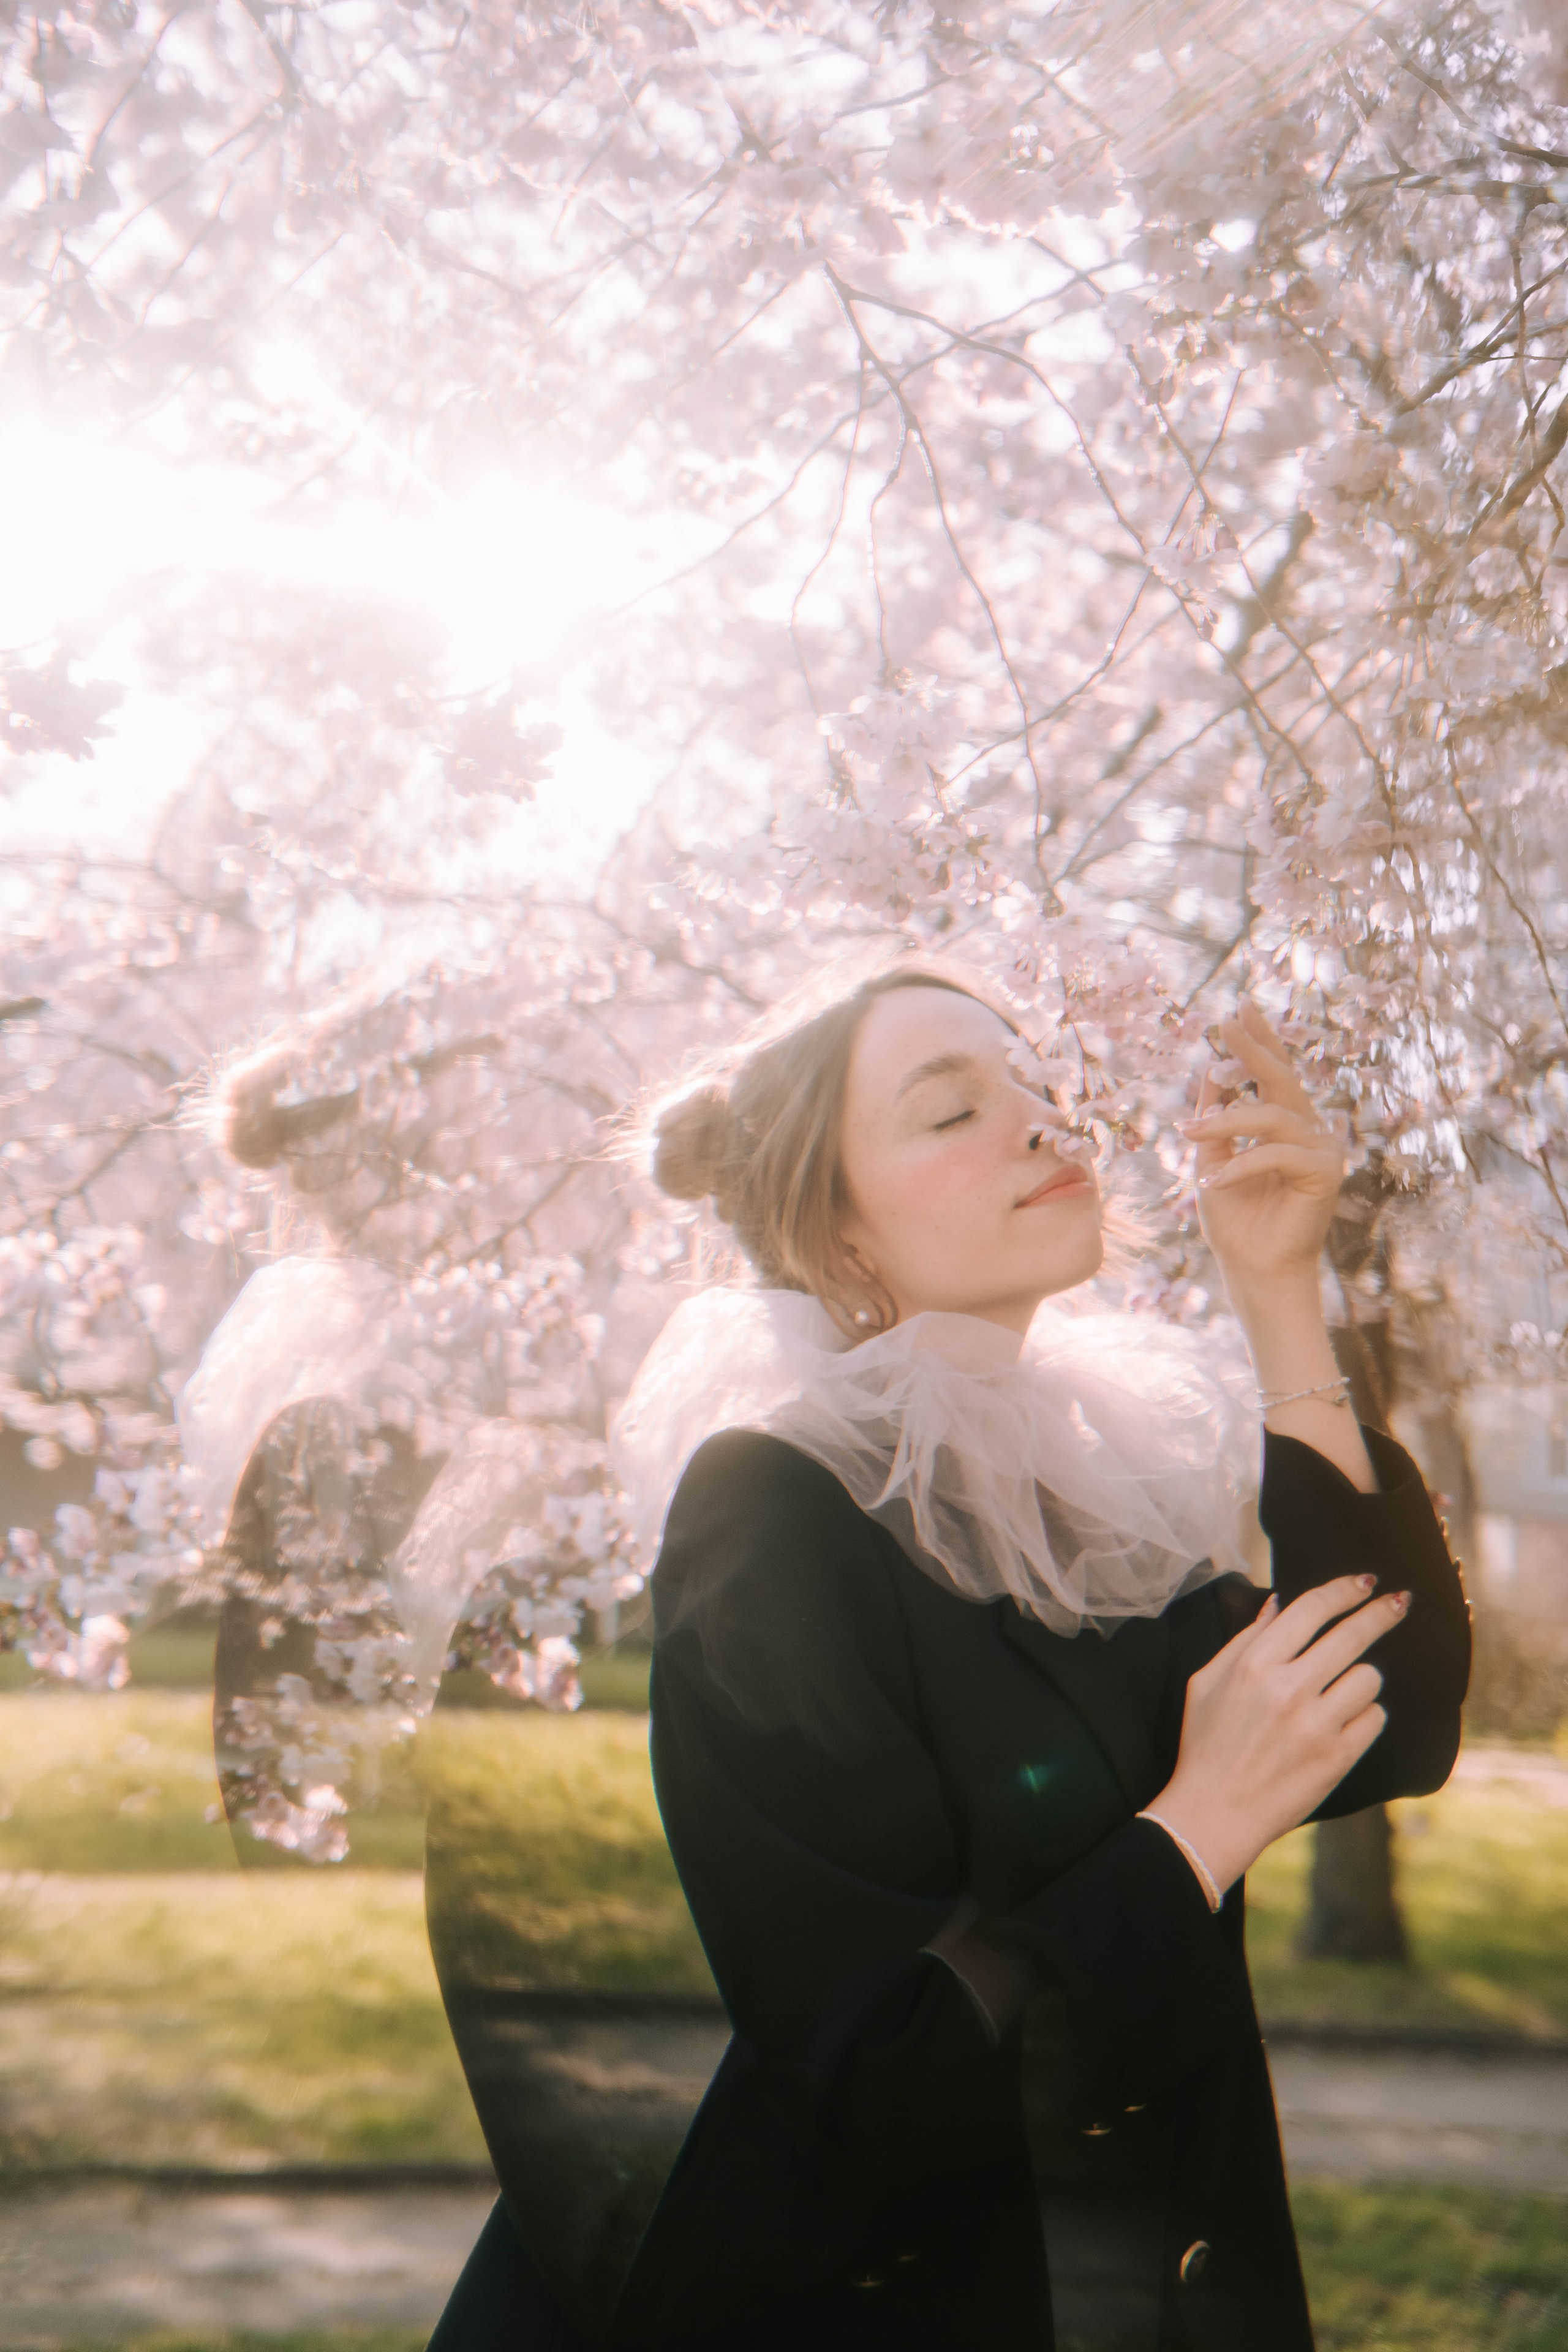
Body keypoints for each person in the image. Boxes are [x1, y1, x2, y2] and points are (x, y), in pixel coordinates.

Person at [543, 964, 1464, 2352]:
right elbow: (871, 2077)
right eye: (947, 1110)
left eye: (1030, 1079)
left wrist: (1277, 1295)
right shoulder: (772, 1509)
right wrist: (1196, 1828)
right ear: (837, 1233)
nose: (1037, 1120)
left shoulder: (1082, 1486)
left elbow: (1383, 1718)